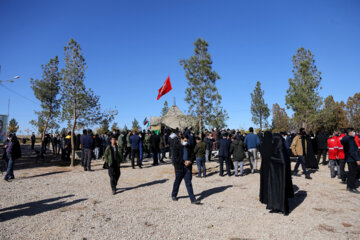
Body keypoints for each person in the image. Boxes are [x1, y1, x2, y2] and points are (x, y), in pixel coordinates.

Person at [265, 134, 294, 216]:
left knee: (281, 191)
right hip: (274, 174)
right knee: (274, 190)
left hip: (281, 175)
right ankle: (275, 207)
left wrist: (271, 158)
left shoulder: (281, 150)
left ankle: (284, 208)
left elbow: (283, 161)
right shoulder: (275, 149)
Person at [171, 136, 200, 204]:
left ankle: (193, 199)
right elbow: (175, 158)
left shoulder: (189, 147)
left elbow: (193, 156)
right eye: (184, 140)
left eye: (186, 140)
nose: (185, 142)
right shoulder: (176, 147)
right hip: (179, 168)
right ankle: (174, 195)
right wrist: (184, 162)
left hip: (188, 168)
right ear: (181, 140)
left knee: (188, 183)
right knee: (177, 182)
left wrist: (190, 161)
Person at [341, 128, 360, 194]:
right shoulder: (350, 140)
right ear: (350, 132)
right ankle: (352, 187)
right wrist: (357, 159)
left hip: (348, 158)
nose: (354, 132)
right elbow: (352, 151)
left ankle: (349, 186)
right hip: (352, 159)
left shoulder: (345, 138)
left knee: (350, 173)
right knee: (353, 173)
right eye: (353, 131)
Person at [259, 131, 273, 204]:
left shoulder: (262, 145)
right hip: (271, 166)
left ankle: (264, 198)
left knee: (264, 182)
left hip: (264, 166)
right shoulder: (273, 145)